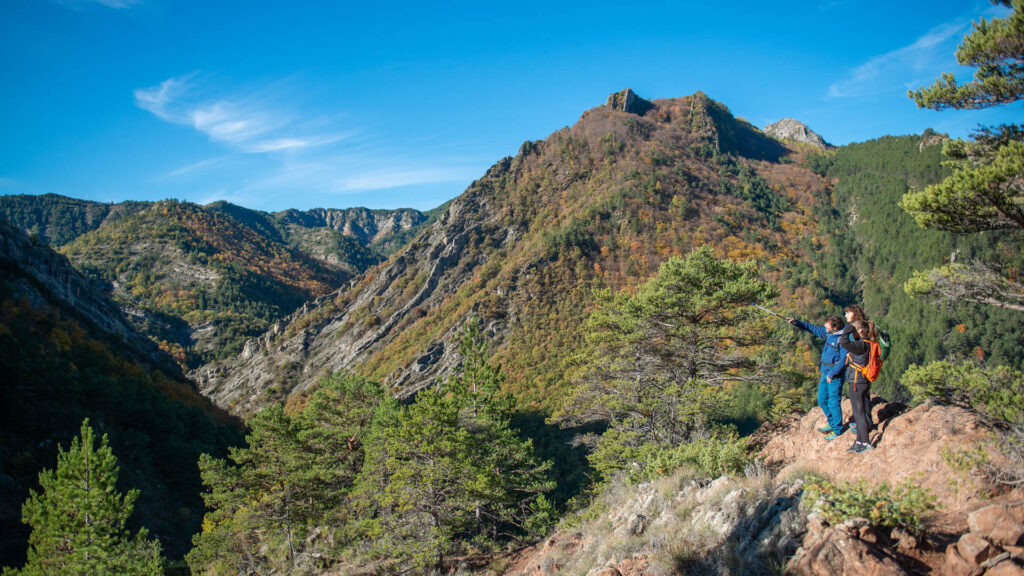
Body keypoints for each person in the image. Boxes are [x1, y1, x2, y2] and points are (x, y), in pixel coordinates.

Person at [787, 314, 847, 440]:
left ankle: (837, 430)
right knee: (822, 400)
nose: (824, 326)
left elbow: (844, 360)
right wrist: (796, 322)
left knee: (833, 401)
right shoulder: (829, 334)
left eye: (827, 324)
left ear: (835, 327)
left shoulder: (842, 339)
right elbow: (813, 328)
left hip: (834, 375)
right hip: (825, 372)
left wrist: (832, 373)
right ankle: (832, 423)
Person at [839, 320, 877, 454]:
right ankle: (860, 441)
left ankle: (865, 442)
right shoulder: (867, 343)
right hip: (862, 381)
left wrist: (848, 328)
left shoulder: (861, 345)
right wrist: (852, 329)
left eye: (854, 330)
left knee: (859, 413)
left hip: (857, 381)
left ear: (860, 331)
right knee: (861, 411)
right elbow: (851, 341)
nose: (851, 333)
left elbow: (844, 342)